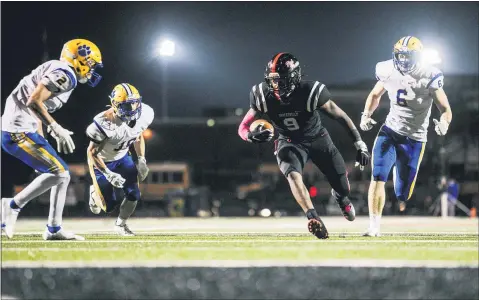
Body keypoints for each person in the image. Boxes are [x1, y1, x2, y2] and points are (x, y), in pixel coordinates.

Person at [238, 52, 370, 239]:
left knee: (342, 185)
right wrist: (250, 136)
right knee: (292, 174)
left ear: (294, 77)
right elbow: (243, 127)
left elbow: (340, 115)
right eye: (273, 80)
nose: (276, 85)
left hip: (318, 138)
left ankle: (341, 197)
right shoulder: (262, 95)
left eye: (281, 80)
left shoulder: (310, 91)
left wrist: (359, 143)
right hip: (289, 141)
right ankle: (313, 216)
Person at [1, 39, 103, 240]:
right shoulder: (66, 74)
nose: (91, 70)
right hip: (16, 130)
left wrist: (42, 136)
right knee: (61, 173)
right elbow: (33, 101)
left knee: (61, 175)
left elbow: (39, 108)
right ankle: (11, 205)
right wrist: (56, 127)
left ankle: (54, 229)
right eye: (90, 63)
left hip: (21, 127)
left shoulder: (59, 69)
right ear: (78, 58)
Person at [360, 36, 452, 236]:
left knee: (403, 193)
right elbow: (375, 94)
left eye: (408, 56)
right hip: (389, 132)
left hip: (415, 139)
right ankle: (374, 227)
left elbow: (445, 108)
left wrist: (444, 122)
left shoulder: (430, 74)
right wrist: (366, 115)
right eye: (400, 55)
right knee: (377, 176)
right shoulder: (387, 69)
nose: (403, 60)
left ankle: (398, 178)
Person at [86, 83, 154, 236]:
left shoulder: (145, 113)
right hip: (102, 162)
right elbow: (92, 153)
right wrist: (108, 174)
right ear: (115, 104)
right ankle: (94, 193)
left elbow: (137, 136)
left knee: (134, 194)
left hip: (123, 157)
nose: (133, 108)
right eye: (127, 105)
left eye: (135, 103)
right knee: (107, 206)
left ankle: (120, 225)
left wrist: (142, 159)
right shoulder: (104, 123)